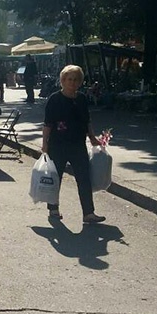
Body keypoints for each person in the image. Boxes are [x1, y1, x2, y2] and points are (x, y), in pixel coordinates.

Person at [42, 65, 106, 223]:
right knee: (56, 178)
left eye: (76, 80)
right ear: (63, 80)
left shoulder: (82, 99)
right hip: (58, 145)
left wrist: (92, 137)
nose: (72, 82)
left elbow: (87, 120)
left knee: (84, 178)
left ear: (80, 82)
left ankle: (88, 213)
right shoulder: (55, 99)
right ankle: (53, 209)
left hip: (78, 144)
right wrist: (45, 144)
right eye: (69, 79)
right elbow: (48, 123)